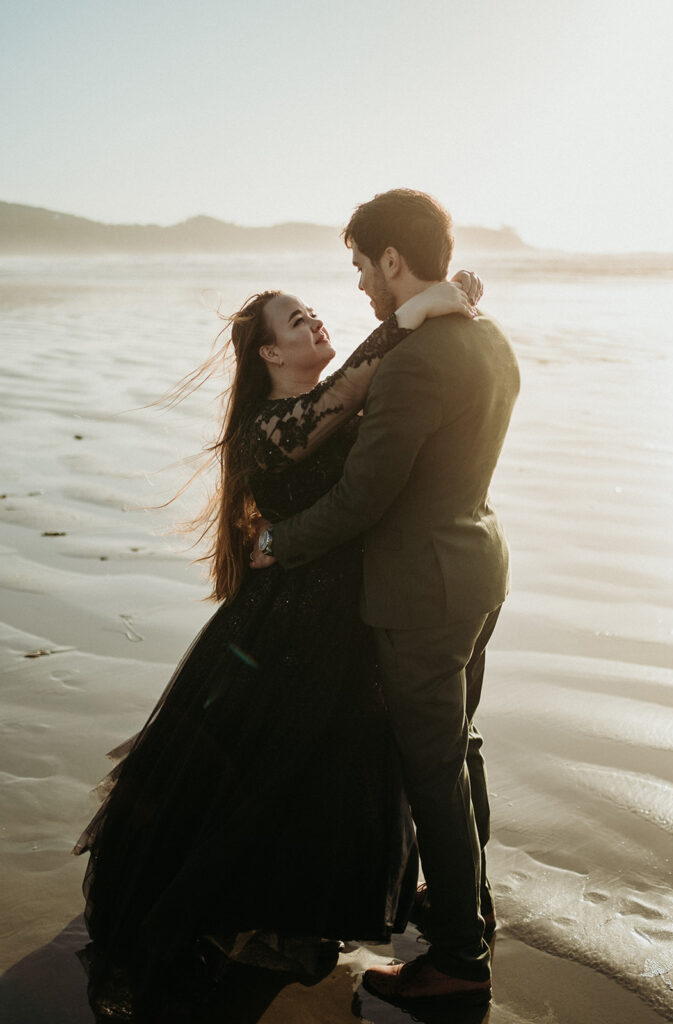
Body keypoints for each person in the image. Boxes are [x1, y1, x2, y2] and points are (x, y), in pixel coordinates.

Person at [73, 272, 481, 1021]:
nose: (315, 322)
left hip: (343, 617)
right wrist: (413, 310)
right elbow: (349, 393)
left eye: (314, 312)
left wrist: (440, 312)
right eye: (297, 320)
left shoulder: (335, 401)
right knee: (270, 780)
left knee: (326, 774)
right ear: (267, 352)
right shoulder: (273, 422)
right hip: (292, 628)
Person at [251, 188, 520, 1006]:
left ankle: (459, 961)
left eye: (363, 265)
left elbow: (365, 496)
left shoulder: (412, 362)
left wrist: (278, 543)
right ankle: (464, 899)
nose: (362, 283)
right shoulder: (487, 338)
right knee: (460, 749)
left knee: (432, 767)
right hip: (479, 565)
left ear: (392, 260)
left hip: (421, 593)